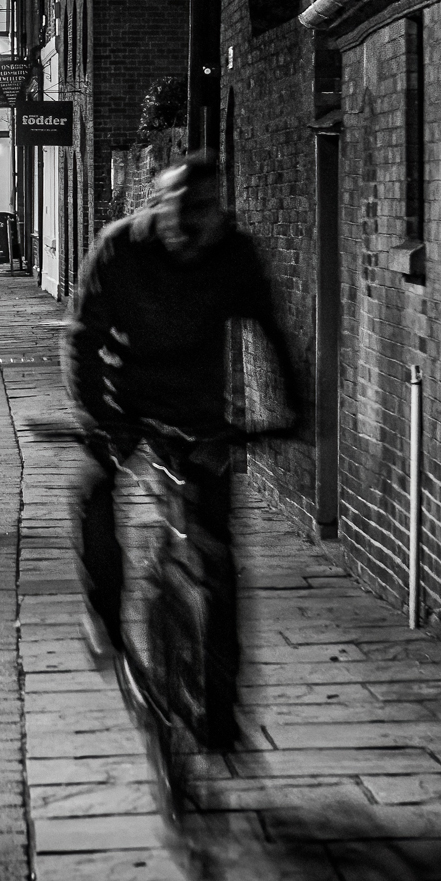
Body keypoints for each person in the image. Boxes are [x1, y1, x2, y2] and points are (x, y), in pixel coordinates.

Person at [62, 150, 303, 746]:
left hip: (199, 411)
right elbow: (82, 336)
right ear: (160, 203)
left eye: (211, 209)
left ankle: (220, 713)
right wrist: (99, 421)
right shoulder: (120, 248)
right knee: (92, 494)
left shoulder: (233, 254)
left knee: (218, 559)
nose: (200, 222)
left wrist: (294, 411)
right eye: (187, 207)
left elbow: (270, 328)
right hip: (125, 404)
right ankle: (107, 619)